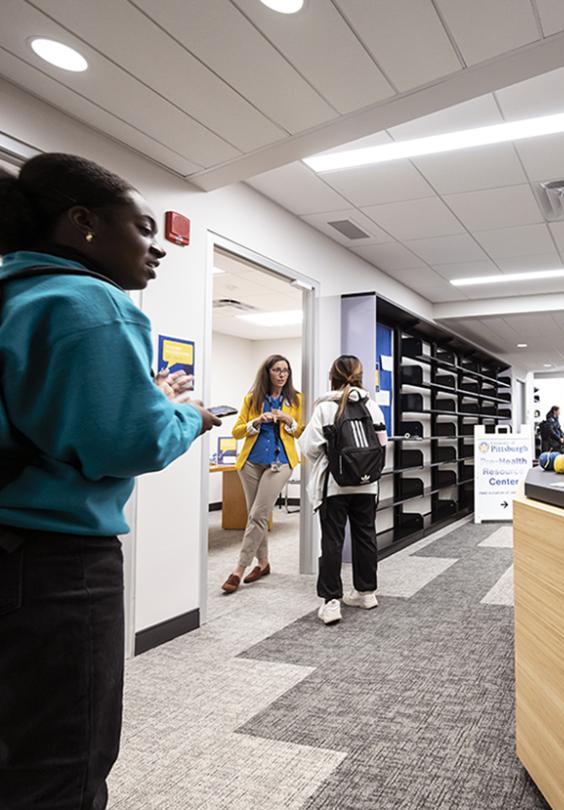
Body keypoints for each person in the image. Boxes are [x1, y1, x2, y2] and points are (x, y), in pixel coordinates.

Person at [0, 153, 221, 810]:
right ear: (82, 223)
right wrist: (188, 414)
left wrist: (144, 396)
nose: (158, 249)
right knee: (64, 765)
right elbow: (129, 443)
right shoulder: (90, 301)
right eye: (143, 227)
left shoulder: (16, 296)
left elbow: (41, 420)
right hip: (55, 569)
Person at [299, 355, 387, 625]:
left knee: (332, 541)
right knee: (365, 537)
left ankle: (332, 602)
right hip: (367, 485)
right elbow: (383, 445)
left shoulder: (326, 408)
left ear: (332, 376)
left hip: (335, 487)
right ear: (360, 377)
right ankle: (366, 592)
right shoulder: (372, 406)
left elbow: (309, 448)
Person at [221, 355, 303, 593]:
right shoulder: (253, 399)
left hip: (281, 462)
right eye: (277, 370)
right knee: (255, 515)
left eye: (285, 370)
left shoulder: (296, 400)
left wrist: (289, 421)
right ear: (267, 372)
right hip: (250, 463)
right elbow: (237, 432)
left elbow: (302, 433)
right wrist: (256, 422)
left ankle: (239, 569)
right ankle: (264, 563)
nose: (282, 374)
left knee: (257, 514)